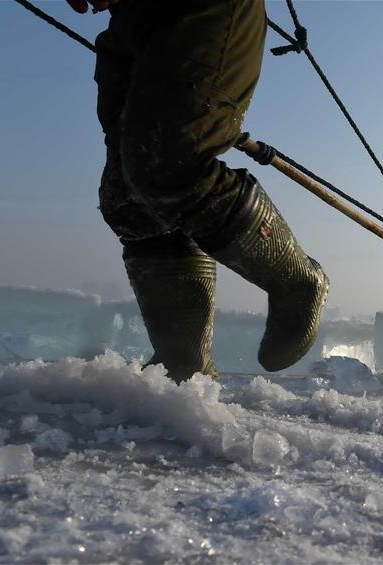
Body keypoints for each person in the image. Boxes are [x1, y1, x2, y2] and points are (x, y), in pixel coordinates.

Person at [68, 0, 328, 382]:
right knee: (127, 196)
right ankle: (184, 368)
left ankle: (297, 282)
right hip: (129, 20)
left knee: (169, 160)